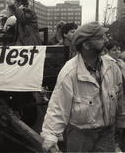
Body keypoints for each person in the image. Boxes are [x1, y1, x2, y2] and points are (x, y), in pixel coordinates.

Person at [41, 21, 125, 152]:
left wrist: (121, 122)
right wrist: (50, 136)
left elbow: (119, 98)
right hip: (80, 136)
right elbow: (58, 107)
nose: (106, 39)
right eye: (100, 37)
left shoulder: (112, 67)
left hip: (106, 133)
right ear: (86, 44)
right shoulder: (69, 72)